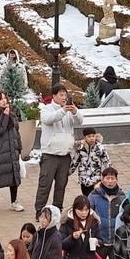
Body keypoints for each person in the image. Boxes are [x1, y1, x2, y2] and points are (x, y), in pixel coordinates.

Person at [35, 85, 82, 215]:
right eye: (61, 95)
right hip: (50, 154)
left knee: (61, 185)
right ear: (54, 96)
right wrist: (63, 110)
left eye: (65, 95)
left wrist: (74, 111)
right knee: (45, 184)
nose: (64, 97)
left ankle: (57, 209)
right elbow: (49, 119)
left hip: (65, 154)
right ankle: (39, 211)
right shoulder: (46, 109)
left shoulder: (69, 110)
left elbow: (80, 121)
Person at [0, 91, 24, 213]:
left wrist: (19, 147)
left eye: (5, 98)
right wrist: (5, 115)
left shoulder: (11, 113)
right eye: (0, 99)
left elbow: (16, 131)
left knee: (13, 175)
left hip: (11, 149)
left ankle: (14, 201)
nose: (4, 101)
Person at [72, 127, 111, 199]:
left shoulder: (99, 148)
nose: (91, 138)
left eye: (93, 136)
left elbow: (106, 160)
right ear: (84, 138)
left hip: (96, 178)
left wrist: (109, 173)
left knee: (96, 197)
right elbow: (75, 161)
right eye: (89, 136)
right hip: (84, 179)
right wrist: (68, 171)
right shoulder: (80, 148)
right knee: (86, 197)